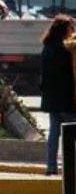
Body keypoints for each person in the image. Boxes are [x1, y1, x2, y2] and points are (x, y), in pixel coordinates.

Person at [39, 13, 76, 176]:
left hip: (52, 99)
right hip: (67, 99)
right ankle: (70, 168)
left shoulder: (47, 47)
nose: (73, 30)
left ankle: (51, 167)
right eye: (71, 27)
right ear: (64, 29)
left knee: (54, 133)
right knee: (71, 134)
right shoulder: (67, 50)